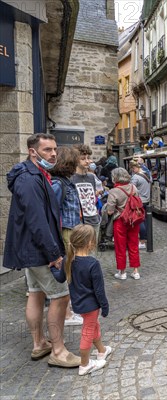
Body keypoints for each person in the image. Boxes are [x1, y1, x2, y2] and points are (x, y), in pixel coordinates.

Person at [4, 133, 80, 368]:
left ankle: (40, 344)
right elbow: (37, 220)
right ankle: (58, 350)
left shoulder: (35, 175)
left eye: (55, 149)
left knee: (35, 294)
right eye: (47, 150)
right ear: (32, 151)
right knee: (60, 296)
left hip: (32, 249)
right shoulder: (29, 179)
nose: (53, 154)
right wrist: (53, 253)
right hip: (38, 250)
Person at [49, 224, 112, 375]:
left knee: (93, 325)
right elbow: (99, 290)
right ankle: (85, 364)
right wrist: (105, 306)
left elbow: (60, 278)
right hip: (91, 306)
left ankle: (101, 351)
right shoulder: (93, 264)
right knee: (88, 331)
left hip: (78, 305)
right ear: (90, 243)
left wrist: (52, 268)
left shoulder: (68, 260)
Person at [50, 146, 84, 327]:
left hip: (71, 230)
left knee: (72, 269)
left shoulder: (63, 182)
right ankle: (67, 314)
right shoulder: (58, 184)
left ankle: (70, 310)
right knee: (68, 270)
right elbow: (52, 213)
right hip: (66, 232)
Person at [106, 167, 142, 280]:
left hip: (120, 221)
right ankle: (135, 271)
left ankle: (122, 272)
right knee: (134, 245)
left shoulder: (113, 191)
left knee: (120, 246)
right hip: (133, 220)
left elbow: (110, 211)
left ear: (115, 178)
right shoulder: (133, 187)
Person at [72, 144, 102, 242]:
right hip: (80, 222)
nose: (87, 161)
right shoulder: (71, 178)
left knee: (92, 251)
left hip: (94, 219)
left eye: (88, 158)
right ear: (76, 160)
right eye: (83, 158)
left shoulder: (91, 177)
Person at [130, 161, 151, 249]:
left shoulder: (135, 177)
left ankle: (142, 240)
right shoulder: (146, 175)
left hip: (139, 201)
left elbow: (132, 189)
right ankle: (146, 237)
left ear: (134, 168)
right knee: (145, 219)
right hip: (147, 200)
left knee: (140, 220)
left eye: (132, 168)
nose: (132, 170)